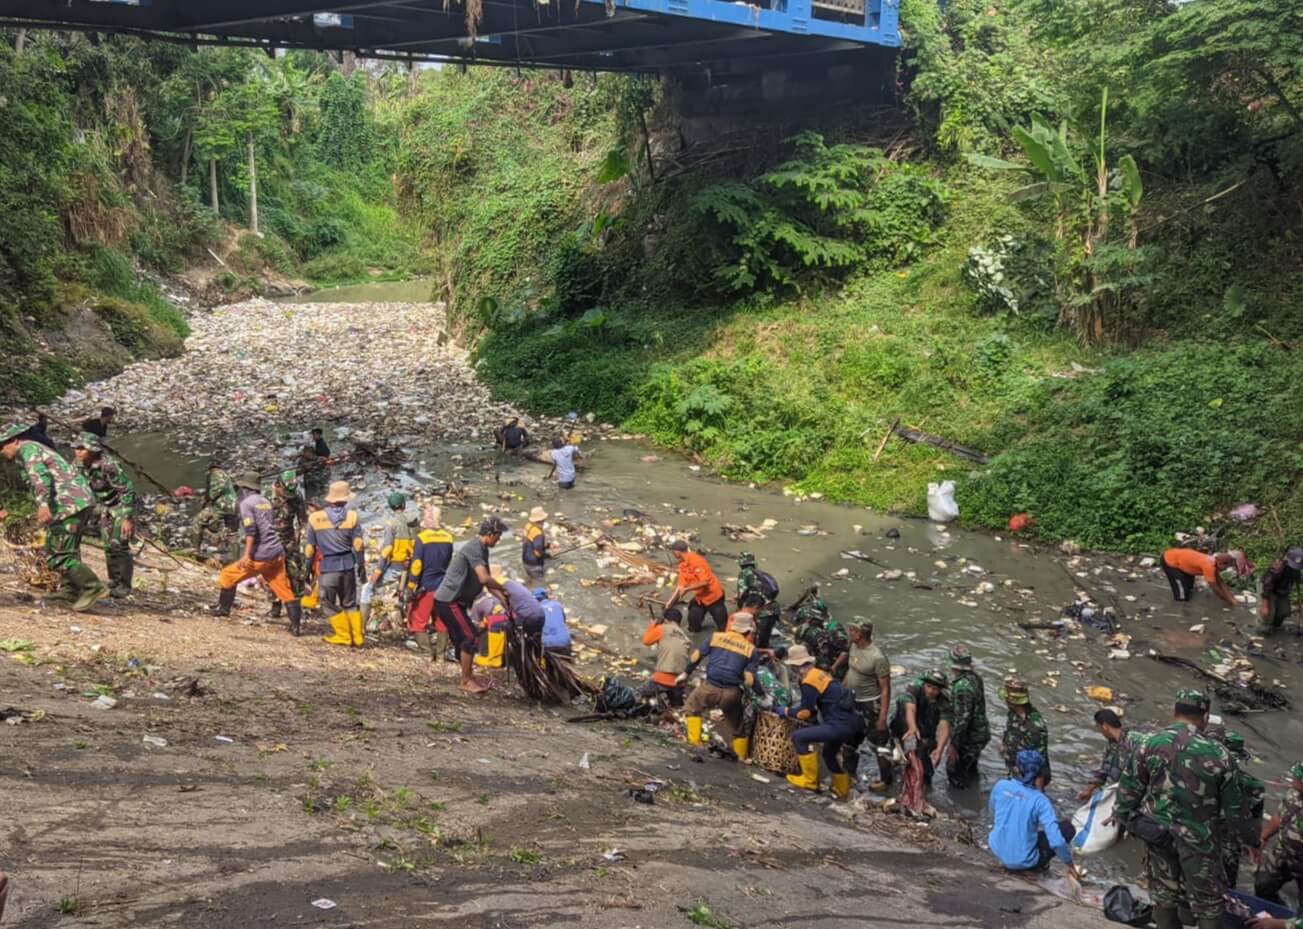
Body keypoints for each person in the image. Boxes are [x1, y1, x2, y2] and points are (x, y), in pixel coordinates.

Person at [1114, 689, 1244, 929]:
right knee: (1207, 902)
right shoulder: (1221, 754)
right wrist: (1248, 840)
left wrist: (1122, 817)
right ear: (1205, 716)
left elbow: (1129, 789)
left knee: (1164, 894)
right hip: (1199, 839)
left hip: (1157, 832)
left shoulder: (1149, 743)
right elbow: (1235, 809)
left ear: (1174, 712)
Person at [0, 422, 106, 611]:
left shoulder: (28, 449)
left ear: (15, 441)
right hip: (76, 502)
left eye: (2, 446)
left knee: (57, 553)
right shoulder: (36, 449)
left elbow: (40, 478)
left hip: (69, 504)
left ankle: (92, 586)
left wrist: (43, 505)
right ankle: (69, 591)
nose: (1, 451)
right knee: (67, 548)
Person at [210, 471, 301, 634]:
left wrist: (246, 555)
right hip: (277, 551)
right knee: (284, 589)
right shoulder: (265, 501)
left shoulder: (246, 504)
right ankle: (295, 627)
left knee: (227, 575)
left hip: (262, 553)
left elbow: (251, 531)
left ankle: (223, 609)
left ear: (245, 488)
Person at [434, 516, 510, 694]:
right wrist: (503, 586)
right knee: (470, 637)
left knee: (463, 640)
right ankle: (465, 680)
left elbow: (487, 583)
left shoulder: (483, 550)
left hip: (454, 602)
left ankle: (468, 676)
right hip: (449, 600)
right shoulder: (474, 548)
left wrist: (504, 599)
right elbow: (485, 578)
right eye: (498, 536)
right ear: (491, 534)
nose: (498, 540)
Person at [780, 643, 863, 798]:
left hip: (838, 725)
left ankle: (809, 781)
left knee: (799, 737)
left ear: (795, 667)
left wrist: (785, 711)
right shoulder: (821, 674)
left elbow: (805, 712)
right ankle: (842, 790)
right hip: (852, 723)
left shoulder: (808, 682)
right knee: (828, 753)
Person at [679, 611, 765, 760]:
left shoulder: (715, 637)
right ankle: (741, 757)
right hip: (732, 693)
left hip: (709, 687)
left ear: (732, 626)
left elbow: (697, 656)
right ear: (748, 631)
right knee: (738, 725)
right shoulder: (751, 650)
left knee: (692, 707)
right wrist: (762, 695)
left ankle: (693, 743)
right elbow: (750, 679)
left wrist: (686, 673)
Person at [988, 749, 1080, 876]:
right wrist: (1070, 864)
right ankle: (1034, 868)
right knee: (1067, 828)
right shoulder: (1040, 800)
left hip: (996, 849)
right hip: (1023, 860)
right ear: (1040, 773)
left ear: (1017, 769)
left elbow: (993, 811)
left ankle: (1006, 856)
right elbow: (1057, 841)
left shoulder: (1001, 785)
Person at [71, 432, 138, 598]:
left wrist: (127, 518)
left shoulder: (108, 465)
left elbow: (127, 490)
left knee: (118, 544)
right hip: (101, 505)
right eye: (76, 448)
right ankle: (114, 580)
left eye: (82, 449)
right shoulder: (77, 464)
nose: (78, 452)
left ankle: (123, 586)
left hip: (119, 505)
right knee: (108, 545)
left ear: (93, 451)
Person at [305, 480, 366, 647]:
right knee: (350, 603)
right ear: (345, 499)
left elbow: (310, 549)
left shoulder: (315, 518)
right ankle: (358, 637)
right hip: (347, 565)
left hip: (329, 567)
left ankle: (344, 635)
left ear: (329, 499)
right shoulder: (352, 517)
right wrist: (361, 567)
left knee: (326, 601)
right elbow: (359, 545)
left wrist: (306, 571)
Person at [840, 621, 893, 789]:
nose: (849, 632)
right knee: (848, 740)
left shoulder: (877, 657)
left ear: (861, 634)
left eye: (852, 630)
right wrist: (842, 690)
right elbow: (851, 670)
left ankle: (886, 781)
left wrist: (883, 717)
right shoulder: (853, 646)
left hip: (871, 705)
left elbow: (885, 689)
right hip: (852, 701)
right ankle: (849, 774)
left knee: (879, 745)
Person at [405, 506, 454, 661]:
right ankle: (440, 655)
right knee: (441, 621)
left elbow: (417, 564)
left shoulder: (422, 538)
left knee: (417, 620)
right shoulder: (448, 538)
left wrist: (411, 585)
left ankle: (426, 653)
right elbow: (448, 561)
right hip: (443, 586)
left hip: (426, 586)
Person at [889, 670, 953, 786]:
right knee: (896, 738)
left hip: (928, 716)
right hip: (905, 714)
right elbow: (910, 707)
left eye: (935, 689)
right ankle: (897, 762)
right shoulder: (914, 687)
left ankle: (925, 780)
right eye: (928, 686)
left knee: (925, 746)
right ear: (924, 684)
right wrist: (912, 727)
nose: (931, 691)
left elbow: (945, 725)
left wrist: (939, 749)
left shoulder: (944, 701)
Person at [364, 492, 416, 630]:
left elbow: (387, 550)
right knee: (404, 593)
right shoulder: (414, 521)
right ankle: (407, 623)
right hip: (411, 565)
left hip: (396, 565)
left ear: (390, 507)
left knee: (381, 593)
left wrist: (378, 570)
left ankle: (383, 625)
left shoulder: (391, 524)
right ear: (404, 505)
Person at [1254, 760, 1303, 907]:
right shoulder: (1295, 793)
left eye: (1298, 778)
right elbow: (1281, 815)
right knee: (1263, 885)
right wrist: (1264, 836)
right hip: (1284, 854)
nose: (1294, 779)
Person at [946, 645, 991, 790]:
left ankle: (961, 804)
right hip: (980, 733)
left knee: (954, 770)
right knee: (970, 767)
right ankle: (975, 797)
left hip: (969, 738)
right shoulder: (975, 678)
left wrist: (953, 744)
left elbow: (962, 720)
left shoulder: (961, 687)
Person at [266, 470, 308, 620]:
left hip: (289, 539)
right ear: (278, 485)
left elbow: (303, 520)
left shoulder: (296, 496)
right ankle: (275, 606)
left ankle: (297, 609)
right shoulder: (266, 497)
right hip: (270, 540)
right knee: (273, 573)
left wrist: (301, 539)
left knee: (296, 573)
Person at [668, 540, 728, 635]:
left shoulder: (695, 561)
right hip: (700, 598)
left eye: (673, 551)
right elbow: (680, 586)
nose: (673, 554)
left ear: (677, 552)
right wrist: (669, 603)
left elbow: (705, 582)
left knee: (723, 627)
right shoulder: (682, 564)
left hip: (714, 597)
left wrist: (687, 589)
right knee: (693, 624)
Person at [1076, 708, 1138, 801]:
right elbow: (1104, 770)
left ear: (1105, 726)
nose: (1099, 732)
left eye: (1098, 727)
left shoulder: (1135, 741)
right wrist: (1088, 790)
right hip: (1120, 790)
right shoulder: (1111, 746)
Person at [1000, 677, 1051, 785]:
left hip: (1028, 776)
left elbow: (1039, 760)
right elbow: (1010, 730)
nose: (1005, 701)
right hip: (1014, 767)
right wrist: (1004, 743)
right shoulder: (1013, 713)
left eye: (1007, 699)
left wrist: (1038, 791)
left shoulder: (1035, 726)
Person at [640, 606, 692, 707]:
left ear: (666, 620)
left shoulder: (662, 628)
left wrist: (652, 626)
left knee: (639, 695)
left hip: (662, 678)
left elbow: (646, 641)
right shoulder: (686, 638)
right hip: (680, 682)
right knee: (676, 706)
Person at [1161, 547, 1240, 607]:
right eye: (1225, 567)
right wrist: (1229, 601)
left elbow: (1220, 582)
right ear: (1221, 563)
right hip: (1169, 560)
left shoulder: (1214, 562)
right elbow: (1215, 588)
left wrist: (1232, 598)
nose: (1225, 569)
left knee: (1189, 588)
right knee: (1182, 598)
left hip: (1183, 562)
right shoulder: (1209, 566)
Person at [792, 597, 849, 677]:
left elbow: (845, 652)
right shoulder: (809, 627)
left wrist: (834, 667)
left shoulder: (834, 628)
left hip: (834, 664)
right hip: (818, 661)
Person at [191, 458, 237, 553]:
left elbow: (212, 493)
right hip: (235, 506)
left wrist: (205, 503)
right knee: (231, 532)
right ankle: (234, 555)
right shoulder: (226, 475)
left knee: (197, 522)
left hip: (222, 505)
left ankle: (195, 550)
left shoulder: (213, 474)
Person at [1259, 549, 1302, 635]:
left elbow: (1298, 585)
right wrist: (1265, 605)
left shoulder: (1297, 570)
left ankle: (1274, 626)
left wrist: (1299, 603)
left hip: (1282, 591)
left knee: (1284, 612)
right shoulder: (1278, 566)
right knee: (1269, 614)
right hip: (1269, 590)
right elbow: (1267, 585)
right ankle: (1264, 626)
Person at [521, 506, 555, 579]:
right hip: (535, 565)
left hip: (525, 561)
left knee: (530, 579)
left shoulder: (528, 526)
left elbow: (531, 543)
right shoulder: (538, 534)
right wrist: (549, 555)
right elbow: (537, 553)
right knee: (539, 583)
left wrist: (549, 546)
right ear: (542, 520)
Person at [536, 588, 571, 655]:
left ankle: (542, 663)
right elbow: (564, 620)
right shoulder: (558, 604)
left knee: (543, 660)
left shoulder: (537, 609)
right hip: (565, 641)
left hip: (548, 644)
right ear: (546, 596)